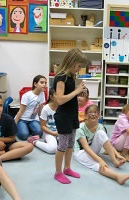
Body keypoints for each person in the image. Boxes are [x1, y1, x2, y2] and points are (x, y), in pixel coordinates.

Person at [74, 104, 129, 185]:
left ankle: (114, 161)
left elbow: (107, 142)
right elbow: (86, 148)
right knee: (98, 164)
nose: (93, 114)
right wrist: (100, 160)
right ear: (85, 116)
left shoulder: (100, 126)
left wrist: (117, 155)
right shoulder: (80, 128)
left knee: (101, 133)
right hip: (81, 152)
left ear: (99, 116)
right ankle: (118, 177)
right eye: (90, 112)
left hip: (92, 149)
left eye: (95, 112)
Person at [53, 48, 87, 184]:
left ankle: (67, 168)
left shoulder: (71, 76)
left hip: (72, 114)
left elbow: (69, 96)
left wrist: (78, 91)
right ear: (72, 62)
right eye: (78, 66)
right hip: (63, 116)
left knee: (71, 144)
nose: (79, 69)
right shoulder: (61, 77)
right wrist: (77, 90)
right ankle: (58, 172)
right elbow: (60, 99)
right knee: (62, 145)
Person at [14, 75, 46, 141]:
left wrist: (43, 123)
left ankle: (27, 128)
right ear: (35, 84)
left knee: (39, 133)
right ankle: (22, 127)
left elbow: (40, 110)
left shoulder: (42, 94)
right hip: (22, 120)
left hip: (33, 120)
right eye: (42, 82)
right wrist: (14, 125)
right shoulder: (27, 95)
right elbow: (21, 111)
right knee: (24, 135)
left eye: (45, 83)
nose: (44, 85)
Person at [29, 88, 58, 154]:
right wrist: (53, 133)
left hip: (61, 133)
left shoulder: (63, 107)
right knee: (53, 149)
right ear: (51, 97)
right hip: (49, 133)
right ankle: (35, 141)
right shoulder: (46, 109)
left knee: (71, 146)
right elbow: (42, 126)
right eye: (56, 94)